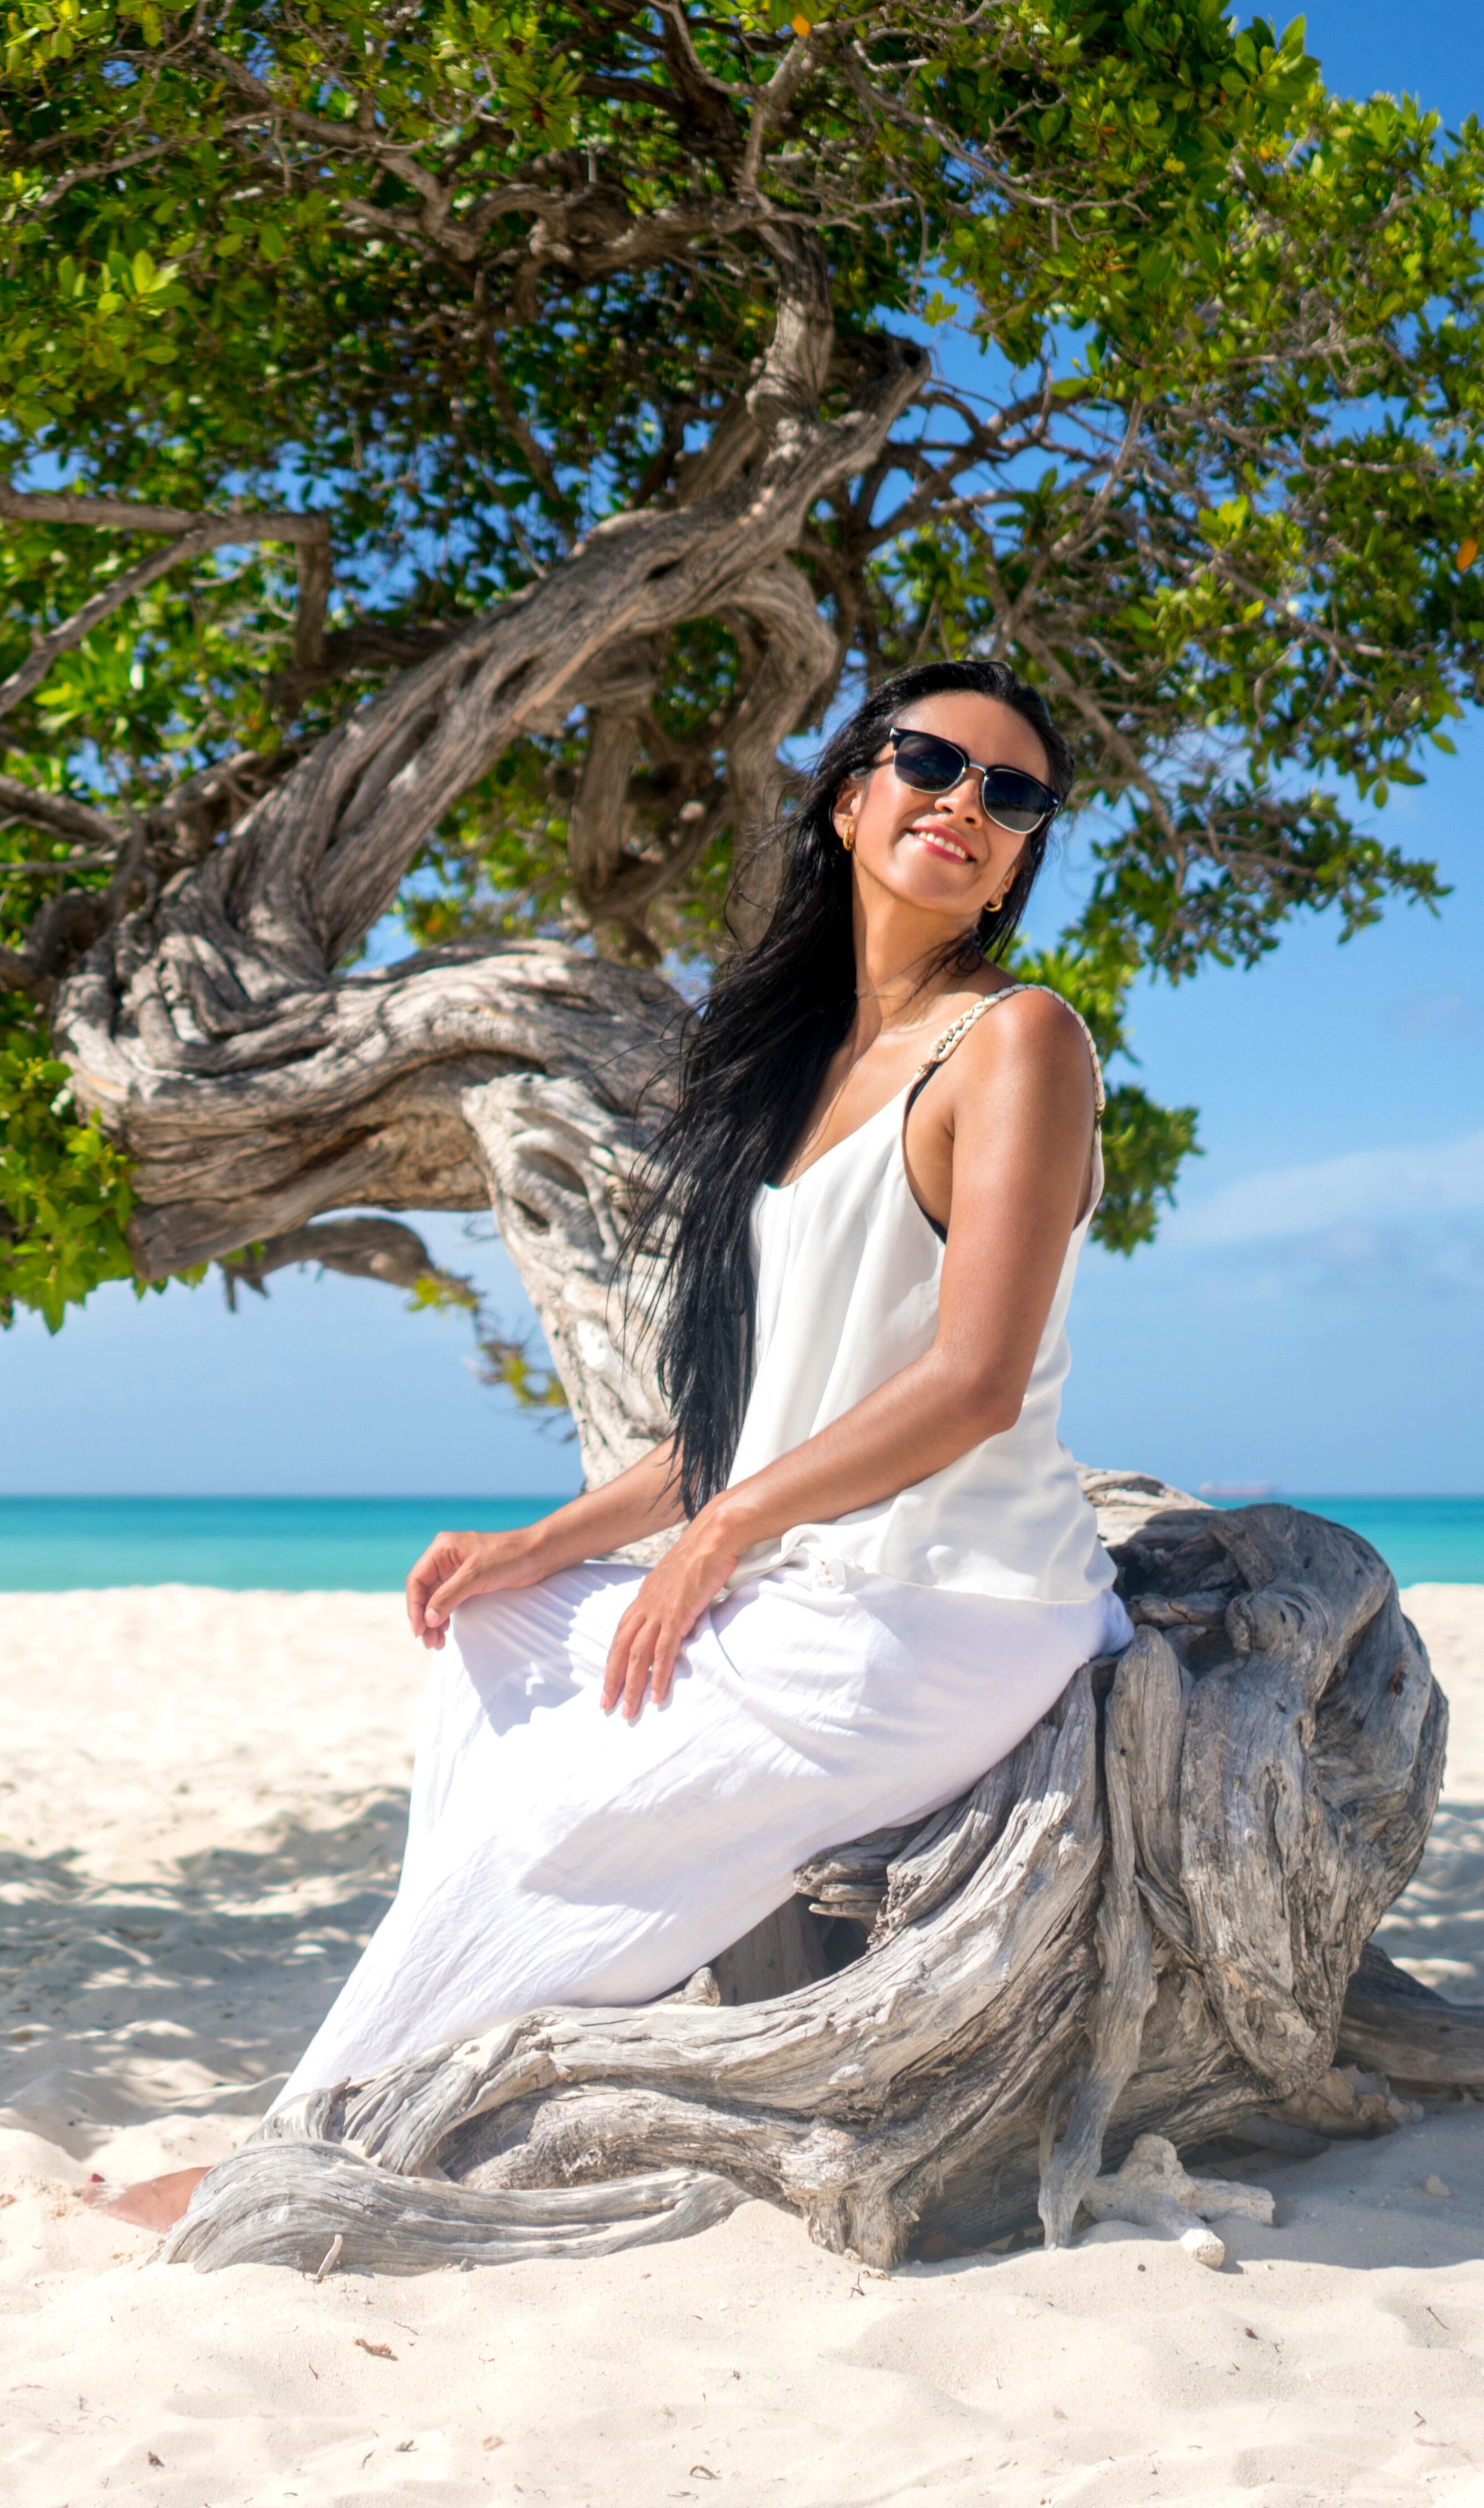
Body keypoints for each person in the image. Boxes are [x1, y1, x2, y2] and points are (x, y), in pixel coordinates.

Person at [94, 658, 1129, 2232]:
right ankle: (395, 2086)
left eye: (1012, 792)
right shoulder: (797, 1075)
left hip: (948, 1604)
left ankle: (317, 2138)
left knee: (565, 1815)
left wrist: (719, 1538)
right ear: (850, 791)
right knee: (497, 1629)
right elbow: (744, 1423)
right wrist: (543, 1541)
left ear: (1024, 855)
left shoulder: (1017, 1042)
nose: (964, 803)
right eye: (929, 760)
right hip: (818, 1578)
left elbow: (973, 1382)